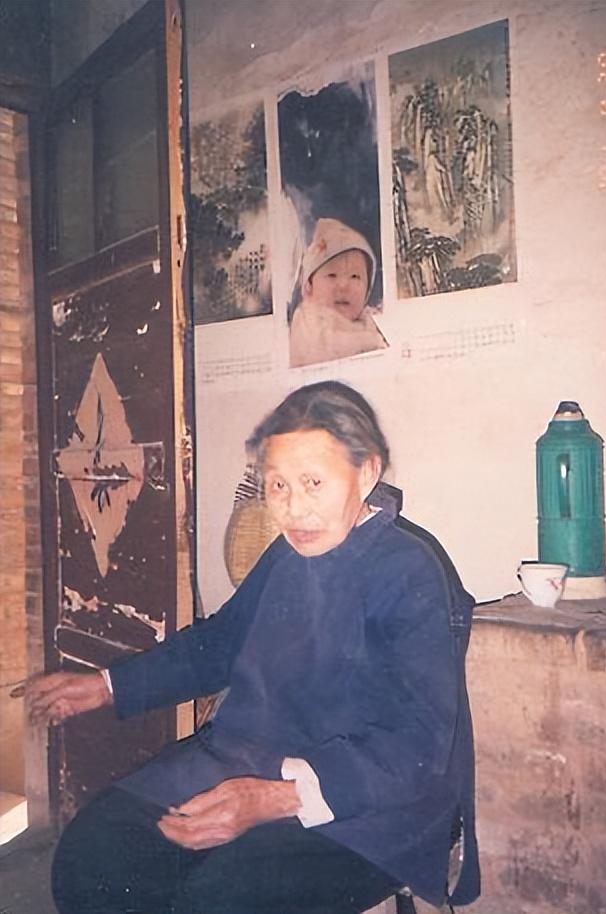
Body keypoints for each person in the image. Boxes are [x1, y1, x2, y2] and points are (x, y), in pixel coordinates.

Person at [27, 381, 479, 914]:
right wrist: (107, 686)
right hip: (248, 757)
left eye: (313, 482)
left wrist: (276, 798)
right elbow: (220, 642)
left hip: (365, 802)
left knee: (216, 900)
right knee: (94, 857)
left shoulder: (409, 571)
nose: (294, 508)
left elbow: (417, 745)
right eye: (277, 485)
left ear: (367, 473)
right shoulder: (287, 556)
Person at [289, 219, 388, 367]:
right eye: (332, 275)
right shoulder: (308, 318)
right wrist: (367, 341)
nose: (343, 285)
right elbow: (324, 349)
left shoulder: (368, 320)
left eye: (355, 276)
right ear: (309, 286)